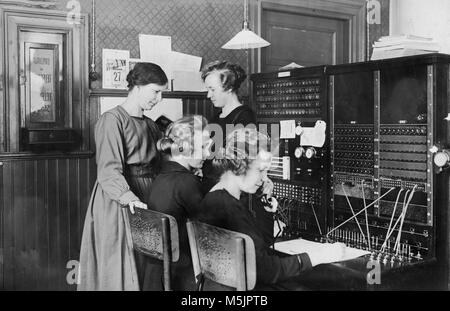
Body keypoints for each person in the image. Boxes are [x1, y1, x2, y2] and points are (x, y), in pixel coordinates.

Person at [197, 128, 345, 290]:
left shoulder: (216, 198)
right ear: (238, 166)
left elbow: (261, 248)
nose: (264, 179)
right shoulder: (231, 208)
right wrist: (316, 256)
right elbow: (268, 271)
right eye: (260, 170)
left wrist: (266, 209)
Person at [78, 62, 168, 291]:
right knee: (120, 264)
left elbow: (161, 162)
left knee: (145, 266)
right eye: (155, 91)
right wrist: (129, 198)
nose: (158, 99)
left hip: (147, 194)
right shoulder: (112, 120)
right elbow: (108, 170)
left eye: (161, 93)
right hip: (120, 198)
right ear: (137, 86)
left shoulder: (150, 125)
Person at [201, 60, 275, 245]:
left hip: (233, 196)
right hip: (215, 191)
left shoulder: (244, 116)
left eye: (212, 89)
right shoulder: (217, 117)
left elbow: (245, 163)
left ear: (228, 88)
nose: (208, 95)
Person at [140, 115, 212, 291]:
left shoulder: (161, 178)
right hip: (182, 279)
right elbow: (214, 226)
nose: (208, 154)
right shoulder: (186, 183)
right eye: (203, 147)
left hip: (157, 277)